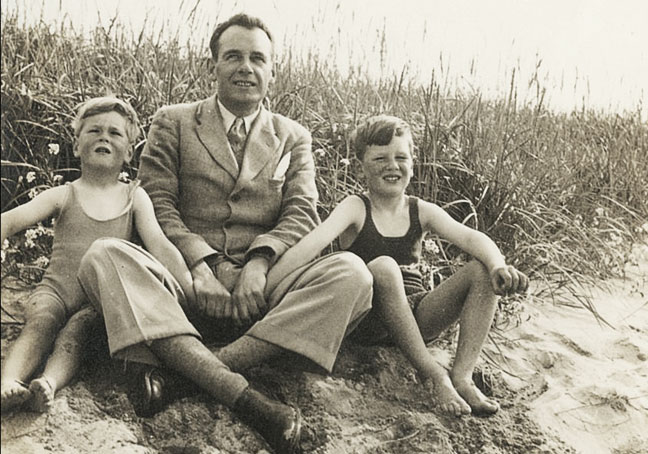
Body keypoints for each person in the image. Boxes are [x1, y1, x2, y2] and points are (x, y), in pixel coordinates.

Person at [76, 13, 372, 454]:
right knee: (103, 256)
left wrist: (259, 263)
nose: (245, 68)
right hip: (185, 283)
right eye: (232, 56)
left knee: (354, 276)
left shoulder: (293, 137)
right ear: (211, 65)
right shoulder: (172, 121)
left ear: (273, 70)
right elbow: (157, 203)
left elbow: (300, 212)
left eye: (257, 58)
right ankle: (249, 400)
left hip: (264, 290)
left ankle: (187, 374)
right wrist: (202, 265)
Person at [268, 115, 529, 418]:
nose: (392, 166)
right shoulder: (356, 207)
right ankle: (436, 375)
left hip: (416, 317)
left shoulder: (420, 210)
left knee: (481, 270)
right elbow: (309, 246)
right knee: (384, 267)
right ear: (360, 165)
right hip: (368, 316)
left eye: (401, 157)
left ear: (413, 163)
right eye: (380, 158)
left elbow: (471, 237)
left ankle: (462, 376)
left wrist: (498, 266)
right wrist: (269, 285)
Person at [0, 96, 195, 414]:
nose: (104, 136)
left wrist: (187, 285)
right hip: (56, 290)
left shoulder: (135, 197)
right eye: (94, 130)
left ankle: (48, 383)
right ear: (77, 146)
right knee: (40, 323)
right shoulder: (63, 194)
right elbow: (10, 220)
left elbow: (159, 243)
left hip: (97, 301)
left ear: (129, 152)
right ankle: (9, 381)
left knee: (77, 332)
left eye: (115, 133)